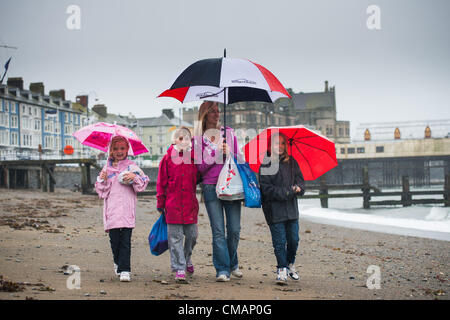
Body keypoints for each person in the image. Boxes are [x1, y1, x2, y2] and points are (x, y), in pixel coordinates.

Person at [193, 100, 243, 282]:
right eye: (212, 111)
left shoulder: (228, 133)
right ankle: (222, 269)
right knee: (218, 231)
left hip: (231, 185)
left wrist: (230, 152)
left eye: (218, 110)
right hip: (210, 187)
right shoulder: (197, 140)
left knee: (235, 229)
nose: (217, 114)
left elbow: (239, 159)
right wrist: (217, 155)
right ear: (205, 115)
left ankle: (232, 261)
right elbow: (200, 168)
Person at [95, 135, 149, 282]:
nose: (119, 151)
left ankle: (125, 270)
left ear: (127, 150)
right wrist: (103, 179)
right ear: (111, 150)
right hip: (112, 210)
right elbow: (102, 191)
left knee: (125, 241)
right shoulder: (107, 168)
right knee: (114, 241)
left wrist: (134, 178)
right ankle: (117, 262)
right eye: (116, 148)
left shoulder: (132, 166)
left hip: (126, 210)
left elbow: (142, 184)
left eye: (122, 148)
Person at [258, 132, 305, 285]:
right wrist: (286, 192)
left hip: (291, 210)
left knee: (293, 240)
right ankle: (282, 269)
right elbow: (266, 189)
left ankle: (290, 263)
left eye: (283, 143)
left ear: (286, 146)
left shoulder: (292, 163)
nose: (280, 146)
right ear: (271, 146)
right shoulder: (266, 165)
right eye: (276, 143)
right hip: (274, 210)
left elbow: (301, 181)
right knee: (280, 242)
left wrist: (299, 188)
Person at [156, 126, 199, 283]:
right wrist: (160, 202)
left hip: (190, 205)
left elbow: (201, 174)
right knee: (175, 238)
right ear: (174, 140)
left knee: (192, 236)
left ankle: (187, 258)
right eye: (180, 138)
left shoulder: (194, 157)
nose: (184, 141)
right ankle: (179, 267)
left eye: (187, 138)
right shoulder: (167, 159)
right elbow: (161, 182)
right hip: (172, 205)